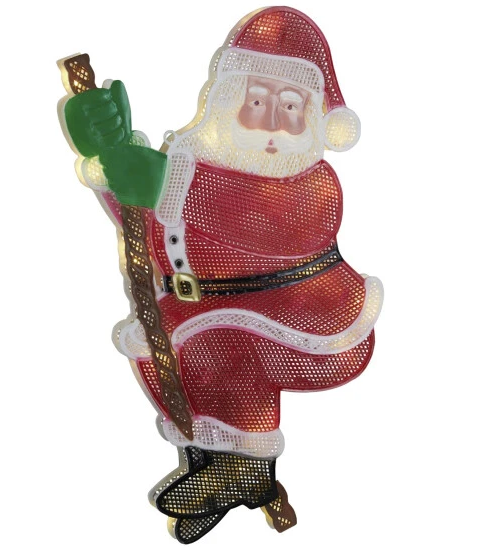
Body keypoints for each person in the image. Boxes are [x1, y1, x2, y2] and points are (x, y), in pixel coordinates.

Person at [61, 6, 383, 544]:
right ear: (228, 102)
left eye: (290, 107)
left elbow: (247, 215)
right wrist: (113, 158)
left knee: (224, 351)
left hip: (298, 318)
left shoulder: (315, 185)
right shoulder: (196, 168)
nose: (273, 123)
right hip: (201, 303)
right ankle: (211, 466)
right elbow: (153, 219)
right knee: (179, 360)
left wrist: (160, 179)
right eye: (257, 103)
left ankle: (246, 469)